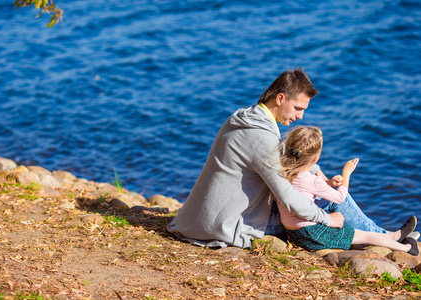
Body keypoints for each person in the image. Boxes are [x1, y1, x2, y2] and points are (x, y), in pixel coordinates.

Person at [167, 67, 419, 248]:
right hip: (227, 225)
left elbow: (278, 169)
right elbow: (289, 198)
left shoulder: (245, 117)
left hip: (201, 217)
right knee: (330, 205)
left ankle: (387, 235)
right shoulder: (262, 139)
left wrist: (315, 173)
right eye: (298, 108)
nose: (300, 117)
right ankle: (388, 237)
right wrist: (327, 220)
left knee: (319, 186)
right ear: (280, 98)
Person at [277, 125, 418, 255]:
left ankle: (392, 236)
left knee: (359, 234)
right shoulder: (312, 180)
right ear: (315, 159)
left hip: (293, 233)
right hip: (312, 233)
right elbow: (340, 198)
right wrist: (346, 174)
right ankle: (407, 248)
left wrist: (329, 182)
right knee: (365, 235)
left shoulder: (283, 174)